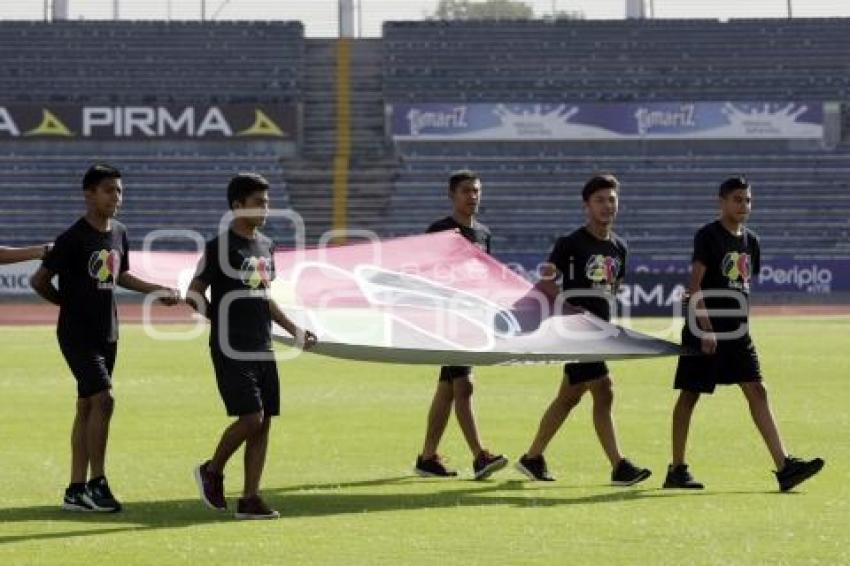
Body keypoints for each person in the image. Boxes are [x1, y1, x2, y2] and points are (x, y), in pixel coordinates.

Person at [30, 163, 180, 512]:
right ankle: (98, 483)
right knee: (105, 399)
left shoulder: (119, 232)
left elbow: (121, 276)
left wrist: (156, 290)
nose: (117, 197)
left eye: (120, 191)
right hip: (77, 333)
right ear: (89, 194)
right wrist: (67, 305)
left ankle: (74, 490)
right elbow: (38, 281)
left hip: (107, 331)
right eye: (110, 190)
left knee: (86, 405)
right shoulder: (72, 238)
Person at [663, 176, 824, 491]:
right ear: (721, 201)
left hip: (738, 332)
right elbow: (694, 287)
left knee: (757, 390)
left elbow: (742, 285)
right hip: (705, 329)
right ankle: (677, 468)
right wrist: (706, 329)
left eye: (748, 200)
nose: (743, 205)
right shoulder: (708, 236)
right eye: (737, 199)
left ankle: (785, 466)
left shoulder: (751, 241)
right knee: (690, 395)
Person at [188, 172, 317, 519]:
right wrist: (221, 320)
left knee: (264, 422)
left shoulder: (267, 246)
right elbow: (194, 293)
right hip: (231, 347)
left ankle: (250, 498)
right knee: (251, 417)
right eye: (258, 202)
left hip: (263, 345)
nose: (265, 208)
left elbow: (264, 296)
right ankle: (211, 471)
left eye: (267, 202)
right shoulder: (219, 246)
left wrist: (293, 328)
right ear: (237, 206)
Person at [516, 174, 651, 486]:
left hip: (598, 335)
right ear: (586, 206)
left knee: (569, 397)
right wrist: (570, 309)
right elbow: (545, 283)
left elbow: (612, 289)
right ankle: (619, 466)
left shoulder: (620, 246)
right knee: (604, 390)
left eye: (612, 200)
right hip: (577, 334)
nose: (607, 206)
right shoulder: (570, 243)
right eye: (600, 200)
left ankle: (532, 458)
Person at [413, 170, 508, 480]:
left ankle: (427, 457)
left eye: (477, 191)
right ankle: (480, 456)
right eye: (466, 191)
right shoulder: (440, 231)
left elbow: (486, 277)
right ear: (452, 195)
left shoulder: (483, 233)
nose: (473, 196)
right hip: (447, 319)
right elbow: (422, 272)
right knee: (464, 384)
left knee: (448, 389)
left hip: (472, 318)